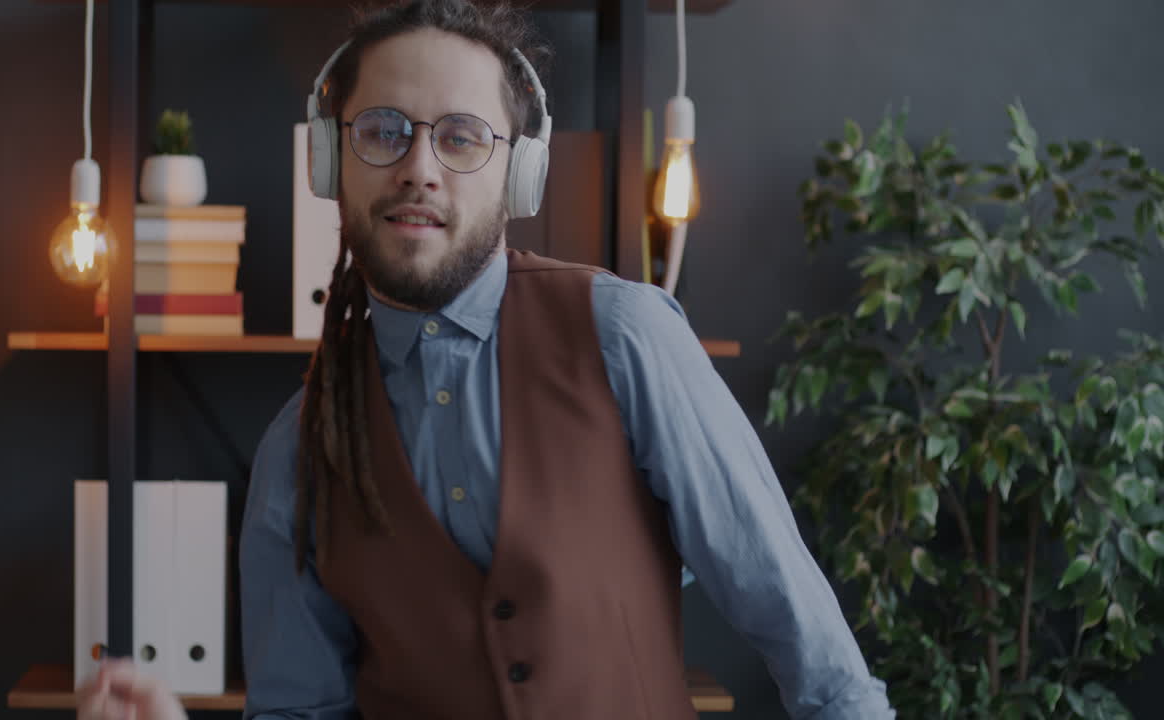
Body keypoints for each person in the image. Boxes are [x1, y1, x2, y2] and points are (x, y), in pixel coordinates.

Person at [79, 0, 896, 718]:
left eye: (462, 136)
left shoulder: (626, 336)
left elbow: (798, 627)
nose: (419, 169)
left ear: (520, 172)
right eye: (382, 132)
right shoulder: (298, 451)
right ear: (329, 163)